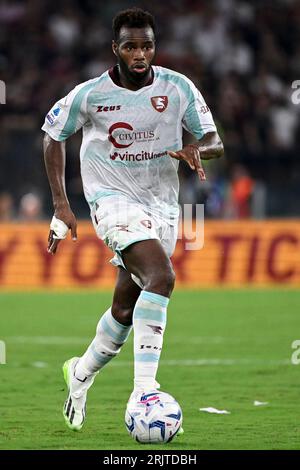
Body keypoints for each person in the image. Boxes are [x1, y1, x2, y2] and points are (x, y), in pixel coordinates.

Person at [42, 7, 224, 432]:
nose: (139, 53)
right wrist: (61, 204)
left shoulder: (178, 88)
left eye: (146, 45)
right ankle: (146, 389)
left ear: (154, 47)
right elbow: (53, 135)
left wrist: (200, 150)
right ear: (116, 49)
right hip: (112, 200)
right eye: (130, 46)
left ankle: (80, 375)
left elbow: (214, 139)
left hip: (161, 205)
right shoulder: (89, 95)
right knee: (162, 277)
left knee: (124, 308)